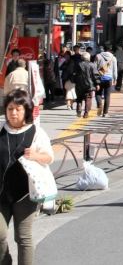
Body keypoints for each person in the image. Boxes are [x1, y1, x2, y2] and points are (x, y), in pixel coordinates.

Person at [0, 90, 54, 265]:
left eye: (18, 109)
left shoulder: (36, 132)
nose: (13, 113)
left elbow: (49, 158)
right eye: (10, 109)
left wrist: (36, 155)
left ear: (26, 111)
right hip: (1, 194)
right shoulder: (1, 131)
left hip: (26, 194)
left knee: (23, 238)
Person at [73, 51, 98, 119]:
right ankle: (86, 113)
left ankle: (78, 110)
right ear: (89, 58)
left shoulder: (78, 64)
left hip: (79, 85)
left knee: (79, 98)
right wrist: (97, 84)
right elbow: (95, 76)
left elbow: (74, 74)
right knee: (88, 98)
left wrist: (75, 81)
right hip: (89, 85)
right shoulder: (92, 65)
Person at [95, 48, 117, 117]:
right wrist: (115, 79)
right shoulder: (113, 58)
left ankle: (99, 107)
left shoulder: (98, 56)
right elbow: (114, 70)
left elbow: (94, 68)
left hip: (99, 78)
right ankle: (105, 113)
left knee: (98, 93)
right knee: (107, 96)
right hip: (109, 78)